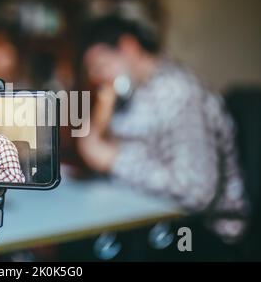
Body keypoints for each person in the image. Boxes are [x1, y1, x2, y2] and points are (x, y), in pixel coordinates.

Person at [77, 13, 249, 243]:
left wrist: (113, 160)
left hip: (202, 233)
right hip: (145, 215)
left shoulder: (180, 92)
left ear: (128, 47)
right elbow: (94, 147)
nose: (97, 76)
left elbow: (197, 192)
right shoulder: (129, 95)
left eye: (101, 65)